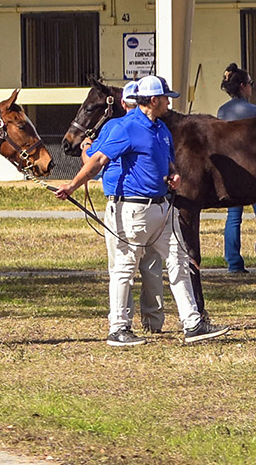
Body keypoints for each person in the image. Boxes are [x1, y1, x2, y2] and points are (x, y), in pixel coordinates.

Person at [56, 75, 229, 347]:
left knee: (179, 262)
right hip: (131, 210)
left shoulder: (161, 130)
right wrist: (73, 185)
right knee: (124, 268)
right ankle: (119, 328)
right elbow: (99, 160)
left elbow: (166, 162)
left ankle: (193, 323)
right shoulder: (125, 128)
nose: (169, 103)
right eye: (165, 98)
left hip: (162, 208)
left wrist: (172, 176)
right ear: (152, 101)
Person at [80, 80, 165, 334]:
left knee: (121, 267)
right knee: (152, 265)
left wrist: (85, 146)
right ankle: (153, 320)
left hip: (122, 203)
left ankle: (122, 322)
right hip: (153, 205)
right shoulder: (154, 128)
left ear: (122, 103)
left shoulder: (114, 127)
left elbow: (93, 163)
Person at [217, 63, 256, 275]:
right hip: (255, 171)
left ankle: (234, 263)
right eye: (250, 84)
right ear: (243, 86)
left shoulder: (222, 111)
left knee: (233, 217)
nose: (251, 87)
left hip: (232, 171)